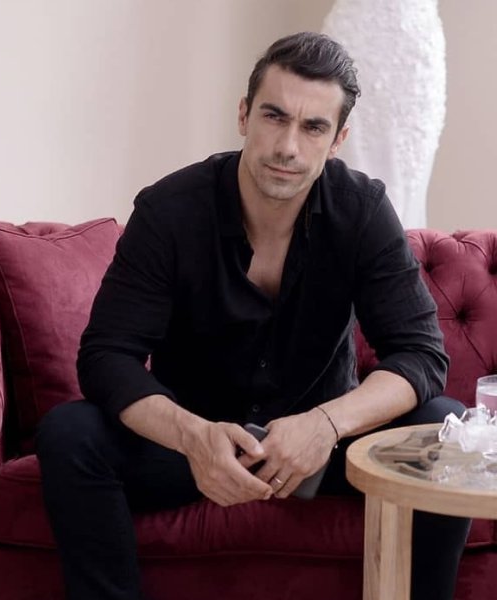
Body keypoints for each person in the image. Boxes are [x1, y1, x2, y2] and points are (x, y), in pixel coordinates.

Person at [36, 31, 470, 600]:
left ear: (337, 140)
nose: (287, 146)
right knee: (70, 433)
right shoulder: (169, 210)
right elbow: (106, 356)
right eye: (274, 116)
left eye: (313, 127)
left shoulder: (362, 210)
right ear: (243, 115)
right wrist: (193, 436)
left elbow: (420, 354)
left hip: (321, 449)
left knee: (443, 428)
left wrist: (326, 425)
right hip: (191, 446)